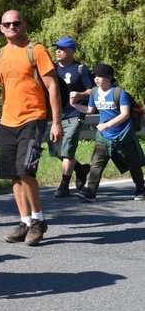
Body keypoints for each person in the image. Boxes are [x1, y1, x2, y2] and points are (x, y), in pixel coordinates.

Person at [0, 9, 62, 246]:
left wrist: (57, 122)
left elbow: (52, 87)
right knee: (14, 174)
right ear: (1, 28)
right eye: (7, 24)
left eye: (16, 23)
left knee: (26, 170)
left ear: (24, 25)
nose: (12, 27)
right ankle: (24, 221)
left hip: (33, 118)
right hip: (7, 121)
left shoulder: (36, 50)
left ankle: (38, 221)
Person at [73, 64, 145, 202]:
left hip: (123, 134)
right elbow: (90, 110)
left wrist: (106, 124)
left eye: (100, 76)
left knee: (133, 163)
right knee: (96, 163)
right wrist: (74, 105)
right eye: (95, 76)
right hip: (103, 136)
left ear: (109, 78)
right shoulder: (94, 92)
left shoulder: (118, 92)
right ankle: (91, 192)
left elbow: (125, 114)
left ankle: (141, 189)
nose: (97, 79)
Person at [49, 37, 94, 197]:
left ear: (71, 51)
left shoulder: (81, 69)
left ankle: (64, 186)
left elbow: (92, 91)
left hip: (76, 113)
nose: (58, 51)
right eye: (57, 48)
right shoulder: (52, 68)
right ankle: (80, 169)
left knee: (67, 149)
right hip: (56, 115)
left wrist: (80, 94)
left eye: (62, 48)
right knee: (58, 151)